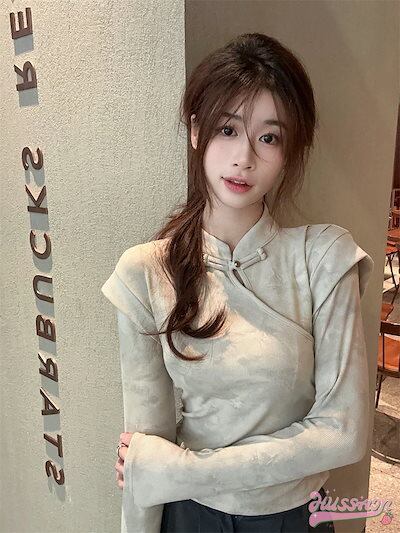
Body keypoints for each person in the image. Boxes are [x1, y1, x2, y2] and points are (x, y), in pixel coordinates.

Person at [101, 33, 374, 533]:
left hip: (295, 517)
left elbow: (345, 433)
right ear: (195, 131)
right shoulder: (146, 272)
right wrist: (152, 484)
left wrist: (181, 471)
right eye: (227, 129)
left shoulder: (323, 258)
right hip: (190, 517)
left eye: (269, 138)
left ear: (289, 152)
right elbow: (146, 453)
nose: (243, 157)